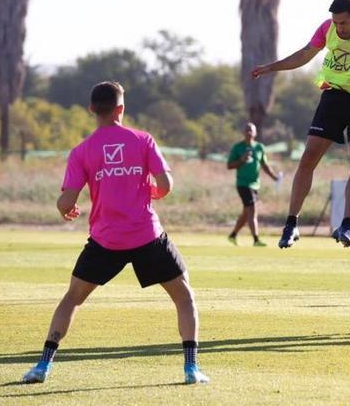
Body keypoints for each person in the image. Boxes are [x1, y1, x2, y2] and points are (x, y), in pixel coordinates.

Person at [21, 82, 210, 385]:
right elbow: (165, 185)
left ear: (92, 109)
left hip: (105, 240)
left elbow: (67, 200)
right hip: (147, 235)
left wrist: (63, 209)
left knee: (72, 299)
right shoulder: (143, 140)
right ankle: (191, 369)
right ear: (121, 109)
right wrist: (148, 190)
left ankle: (43, 366)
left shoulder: (81, 151)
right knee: (184, 297)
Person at [251, 0, 350, 249]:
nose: (338, 28)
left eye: (343, 23)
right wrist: (271, 67)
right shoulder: (327, 28)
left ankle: (346, 224)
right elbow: (305, 54)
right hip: (333, 98)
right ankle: (291, 224)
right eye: (335, 22)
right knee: (308, 158)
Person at [227, 122, 281, 247]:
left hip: (255, 185)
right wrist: (241, 160)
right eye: (247, 130)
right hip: (243, 183)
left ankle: (233, 235)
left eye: (251, 130)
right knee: (252, 209)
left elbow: (264, 165)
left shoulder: (259, 147)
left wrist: (275, 177)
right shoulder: (238, 147)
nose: (249, 133)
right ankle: (256, 239)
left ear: (255, 133)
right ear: (243, 132)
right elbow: (229, 165)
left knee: (246, 213)